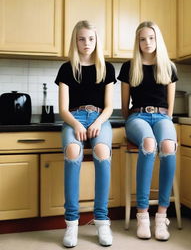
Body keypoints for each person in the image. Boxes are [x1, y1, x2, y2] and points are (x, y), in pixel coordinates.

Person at [55, 20, 116, 247]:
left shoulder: (106, 68)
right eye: (81, 38)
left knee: (102, 152)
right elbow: (63, 108)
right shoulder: (67, 68)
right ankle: (71, 223)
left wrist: (98, 122)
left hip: (100, 118)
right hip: (74, 119)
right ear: (75, 41)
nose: (86, 43)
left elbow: (109, 107)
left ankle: (102, 221)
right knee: (72, 152)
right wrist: (77, 125)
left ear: (96, 40)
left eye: (91, 38)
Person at [117, 21, 178, 241]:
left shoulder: (168, 66)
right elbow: (124, 105)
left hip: (162, 116)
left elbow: (170, 108)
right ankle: (142, 214)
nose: (147, 42)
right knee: (149, 143)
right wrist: (131, 121)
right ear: (138, 42)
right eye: (142, 39)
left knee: (168, 145)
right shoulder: (129, 66)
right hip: (137, 116)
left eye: (151, 38)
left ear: (157, 39)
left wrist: (165, 123)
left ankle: (161, 216)